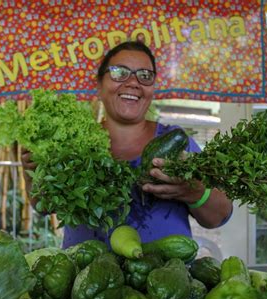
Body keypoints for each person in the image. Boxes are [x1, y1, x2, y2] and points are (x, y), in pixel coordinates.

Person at [22, 41, 233, 248]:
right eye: (119, 72)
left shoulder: (177, 142)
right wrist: (34, 174)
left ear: (152, 89)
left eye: (145, 76)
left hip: (164, 278)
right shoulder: (70, 142)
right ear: (99, 84)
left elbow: (219, 217)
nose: (133, 82)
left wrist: (195, 192)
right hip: (83, 278)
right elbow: (43, 205)